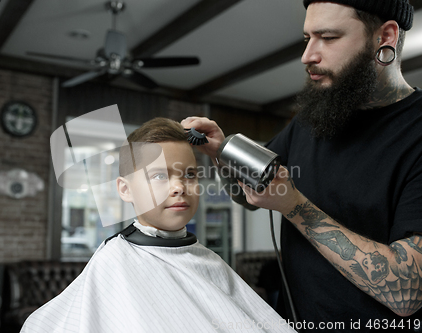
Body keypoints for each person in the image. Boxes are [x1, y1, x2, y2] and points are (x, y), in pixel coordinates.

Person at [182, 1, 422, 331]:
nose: (307, 55)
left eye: (328, 37)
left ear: (386, 36)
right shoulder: (311, 121)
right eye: (307, 37)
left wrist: (294, 206)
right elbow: (249, 193)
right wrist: (222, 153)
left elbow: (407, 293)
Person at [21, 117, 295, 333]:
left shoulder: (208, 260)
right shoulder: (113, 262)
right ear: (125, 189)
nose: (179, 187)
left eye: (189, 174)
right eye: (159, 176)